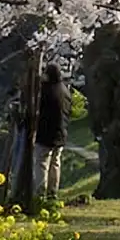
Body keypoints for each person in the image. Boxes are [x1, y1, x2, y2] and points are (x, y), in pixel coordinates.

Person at [35, 63, 72, 199]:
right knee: (55, 163)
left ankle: (40, 193)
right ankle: (52, 192)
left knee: (42, 163)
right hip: (61, 132)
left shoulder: (46, 90)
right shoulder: (65, 91)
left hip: (45, 133)